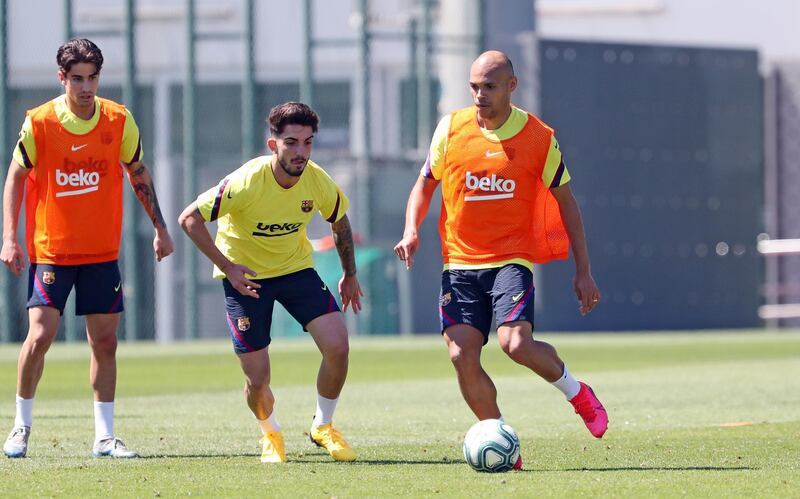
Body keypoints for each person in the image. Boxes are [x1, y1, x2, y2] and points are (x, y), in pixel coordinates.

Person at [394, 51, 608, 468]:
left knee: (515, 343)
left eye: (489, 86)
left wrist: (583, 270)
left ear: (512, 85)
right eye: (474, 86)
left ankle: (576, 393)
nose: (479, 95)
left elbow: (568, 206)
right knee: (461, 356)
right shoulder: (451, 129)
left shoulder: (538, 137)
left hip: (511, 258)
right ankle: (502, 442)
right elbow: (424, 186)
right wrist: (411, 229)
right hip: (458, 263)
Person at [1, 38, 174, 459]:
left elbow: (138, 172)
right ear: (62, 78)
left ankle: (104, 436)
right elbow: (16, 177)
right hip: (52, 252)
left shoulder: (118, 120)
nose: (85, 87)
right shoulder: (40, 122)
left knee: (105, 342)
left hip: (101, 254)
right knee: (40, 336)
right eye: (76, 78)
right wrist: (9, 236)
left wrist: (160, 228)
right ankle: (20, 427)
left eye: (92, 78)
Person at [178, 101, 363, 464]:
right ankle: (271, 433)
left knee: (338, 346)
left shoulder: (316, 180)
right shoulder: (246, 182)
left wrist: (350, 274)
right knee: (258, 379)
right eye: (292, 142)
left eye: (308, 143)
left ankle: (322, 426)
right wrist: (228, 267)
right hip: (247, 279)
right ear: (272, 144)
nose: (301, 152)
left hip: (295, 271)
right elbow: (189, 219)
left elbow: (339, 221)